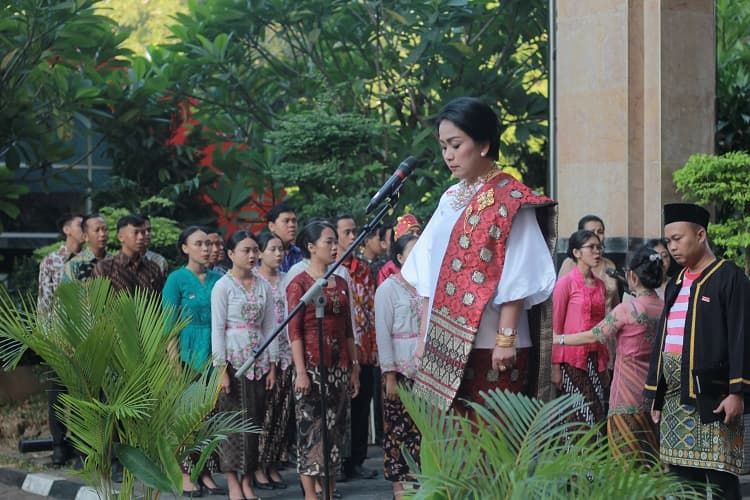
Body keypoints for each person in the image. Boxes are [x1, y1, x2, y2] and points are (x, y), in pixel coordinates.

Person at [400, 97, 557, 415]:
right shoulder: (448, 199)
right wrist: (423, 337)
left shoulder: (511, 198)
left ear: (484, 144)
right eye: (444, 146)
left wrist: (505, 339)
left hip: (493, 344)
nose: (448, 155)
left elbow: (520, 272)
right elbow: (431, 272)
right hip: (444, 344)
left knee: (491, 447)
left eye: (456, 145)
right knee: (451, 447)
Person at [645, 203, 750, 500]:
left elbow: (743, 336)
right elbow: (664, 338)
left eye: (678, 238)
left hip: (714, 400)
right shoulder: (675, 283)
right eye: (668, 241)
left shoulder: (730, 278)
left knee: (720, 483)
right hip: (676, 403)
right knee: (680, 484)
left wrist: (736, 393)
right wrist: (656, 391)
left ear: (700, 234)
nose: (672, 247)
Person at [553, 245, 663, 464]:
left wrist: (558, 339)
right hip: (654, 396)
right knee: (651, 462)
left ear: (632, 276)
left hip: (626, 397)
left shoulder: (628, 309)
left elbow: (595, 335)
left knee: (626, 465)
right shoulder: (664, 307)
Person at [286, 221, 360, 500]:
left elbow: (349, 330)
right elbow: (294, 332)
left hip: (339, 367)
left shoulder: (341, 282)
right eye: (328, 241)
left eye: (334, 242)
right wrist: (301, 372)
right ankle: (310, 495)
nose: (333, 247)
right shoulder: (300, 284)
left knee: (336, 430)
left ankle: (330, 491)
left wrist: (353, 369)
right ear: (311, 246)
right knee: (310, 431)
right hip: (312, 367)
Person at [211, 230, 278, 500]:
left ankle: (248, 479)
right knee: (231, 426)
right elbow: (217, 330)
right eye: (245, 250)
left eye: (254, 250)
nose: (252, 255)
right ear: (230, 254)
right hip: (234, 362)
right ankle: (232, 483)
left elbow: (271, 326)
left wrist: (273, 364)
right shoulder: (223, 286)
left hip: (259, 362)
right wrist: (221, 370)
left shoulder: (263, 285)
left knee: (254, 424)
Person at [162, 226, 225, 496]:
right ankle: (186, 474)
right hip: (187, 356)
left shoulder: (218, 278)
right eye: (199, 244)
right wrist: (174, 365)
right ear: (185, 248)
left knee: (211, 417)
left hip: (214, 354)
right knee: (187, 419)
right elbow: (168, 326)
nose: (206, 249)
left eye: (209, 244)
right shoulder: (176, 279)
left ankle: (207, 472)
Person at [374, 234, 421, 498]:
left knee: (421, 429)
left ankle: (420, 480)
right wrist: (389, 374)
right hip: (399, 372)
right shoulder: (388, 290)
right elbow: (383, 335)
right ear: (400, 258)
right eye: (411, 252)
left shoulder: (428, 287)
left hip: (424, 372)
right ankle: (399, 487)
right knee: (397, 430)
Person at [37, 213, 84, 465]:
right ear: (67, 229)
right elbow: (44, 301)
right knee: (57, 393)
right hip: (59, 336)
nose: (84, 229)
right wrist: (46, 339)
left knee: (83, 391)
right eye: (80, 225)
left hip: (86, 338)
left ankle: (80, 445)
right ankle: (58, 444)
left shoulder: (90, 261)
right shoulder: (52, 261)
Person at [551, 230, 609, 431]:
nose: (597, 251)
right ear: (576, 252)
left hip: (596, 358)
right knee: (577, 416)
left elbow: (602, 326)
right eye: (591, 247)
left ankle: (596, 462)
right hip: (572, 361)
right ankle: (574, 460)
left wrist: (604, 363)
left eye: (599, 247)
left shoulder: (601, 285)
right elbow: (555, 328)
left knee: (597, 412)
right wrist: (555, 366)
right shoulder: (565, 284)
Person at [335, 214, 378, 480]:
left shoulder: (362, 269)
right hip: (341, 350)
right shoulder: (332, 269)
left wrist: (374, 346)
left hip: (365, 348)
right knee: (340, 408)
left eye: (355, 232)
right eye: (347, 232)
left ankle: (358, 460)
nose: (353, 237)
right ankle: (337, 462)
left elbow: (371, 309)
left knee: (362, 407)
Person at [255, 232, 292, 491]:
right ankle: (257, 465)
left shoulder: (287, 279)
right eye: (272, 249)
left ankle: (274, 463)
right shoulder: (254, 281)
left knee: (282, 409)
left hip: (287, 351)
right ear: (259, 252)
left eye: (281, 250)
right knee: (262, 412)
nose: (278, 254)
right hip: (262, 352)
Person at [558, 215, 620, 312]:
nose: (596, 236)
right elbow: (560, 303)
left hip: (607, 323)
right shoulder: (569, 263)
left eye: (600, 232)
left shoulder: (609, 264)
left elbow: (615, 302)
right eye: (591, 232)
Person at [92, 214, 165, 294]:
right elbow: (96, 303)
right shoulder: (105, 268)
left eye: (143, 233)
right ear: (121, 237)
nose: (141, 237)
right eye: (136, 232)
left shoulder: (153, 269)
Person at [63, 213, 110, 282]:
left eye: (104, 229)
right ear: (85, 237)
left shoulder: (115, 263)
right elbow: (67, 292)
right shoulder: (74, 265)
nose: (102, 234)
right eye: (97, 230)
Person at [377, 214, 421, 286]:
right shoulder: (387, 269)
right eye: (411, 232)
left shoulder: (425, 262)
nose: (416, 236)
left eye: (418, 232)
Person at [267, 202, 301, 272]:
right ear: (271, 226)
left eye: (294, 221)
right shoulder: (262, 256)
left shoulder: (301, 254)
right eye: (286, 221)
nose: (292, 225)